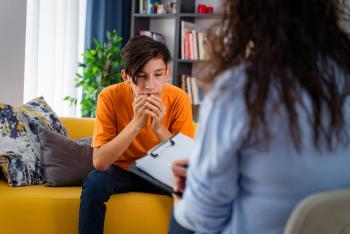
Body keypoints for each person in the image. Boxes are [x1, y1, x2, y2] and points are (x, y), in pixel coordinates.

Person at [170, 0, 350, 233]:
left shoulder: (238, 89)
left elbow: (204, 218)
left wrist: (180, 196)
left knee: (181, 222)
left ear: (246, 14)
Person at [79, 35, 195, 234]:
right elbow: (100, 162)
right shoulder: (109, 97)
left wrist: (159, 129)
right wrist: (135, 124)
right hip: (123, 170)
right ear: (126, 76)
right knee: (94, 182)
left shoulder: (179, 99)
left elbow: (187, 162)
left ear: (167, 73)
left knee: (192, 188)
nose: (150, 85)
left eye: (158, 74)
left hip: (162, 171)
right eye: (141, 76)